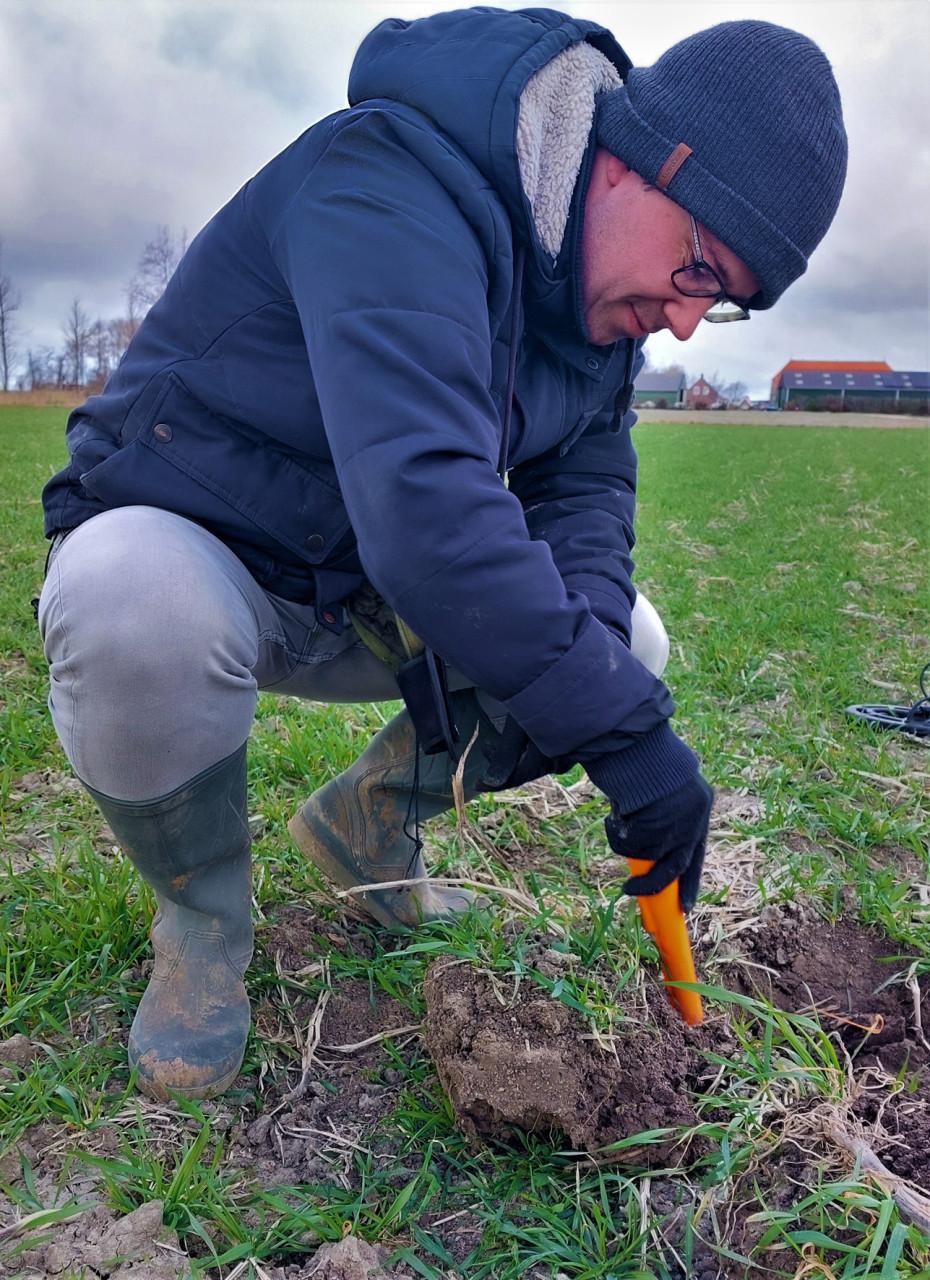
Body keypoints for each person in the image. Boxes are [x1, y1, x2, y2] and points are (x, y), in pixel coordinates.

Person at [37, 7, 847, 1101]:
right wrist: (628, 740)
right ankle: (202, 913)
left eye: (726, 304)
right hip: (205, 556)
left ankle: (371, 829)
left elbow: (587, 506)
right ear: (637, 163)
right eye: (700, 268)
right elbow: (428, 508)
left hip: (359, 585)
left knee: (629, 644)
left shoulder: (601, 316)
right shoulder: (389, 181)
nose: (690, 324)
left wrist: (617, 694)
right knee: (124, 596)